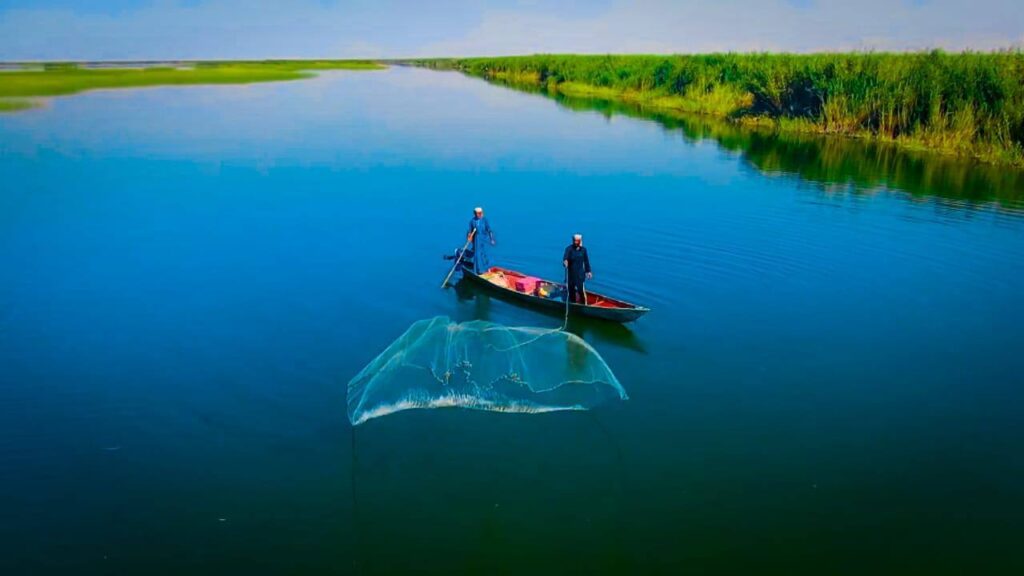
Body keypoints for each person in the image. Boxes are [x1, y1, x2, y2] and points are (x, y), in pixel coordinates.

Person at [562, 234, 592, 304]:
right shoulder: (569, 249)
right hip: (571, 275)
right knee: (571, 291)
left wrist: (588, 271)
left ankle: (584, 305)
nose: (576, 242)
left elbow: (586, 261)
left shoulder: (583, 250)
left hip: (580, 275)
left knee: (581, 291)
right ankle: (573, 304)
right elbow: (565, 258)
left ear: (580, 241)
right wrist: (565, 262)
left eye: (577, 241)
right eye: (574, 240)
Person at [467, 207, 495, 274]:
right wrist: (469, 236)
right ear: (475, 214)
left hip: (483, 240)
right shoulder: (472, 221)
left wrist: (492, 239)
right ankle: (476, 270)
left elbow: (489, 230)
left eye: (481, 213)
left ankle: (487, 269)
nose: (480, 214)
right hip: (476, 241)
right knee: (476, 255)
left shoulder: (485, 220)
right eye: (478, 213)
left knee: (484, 255)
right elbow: (470, 231)